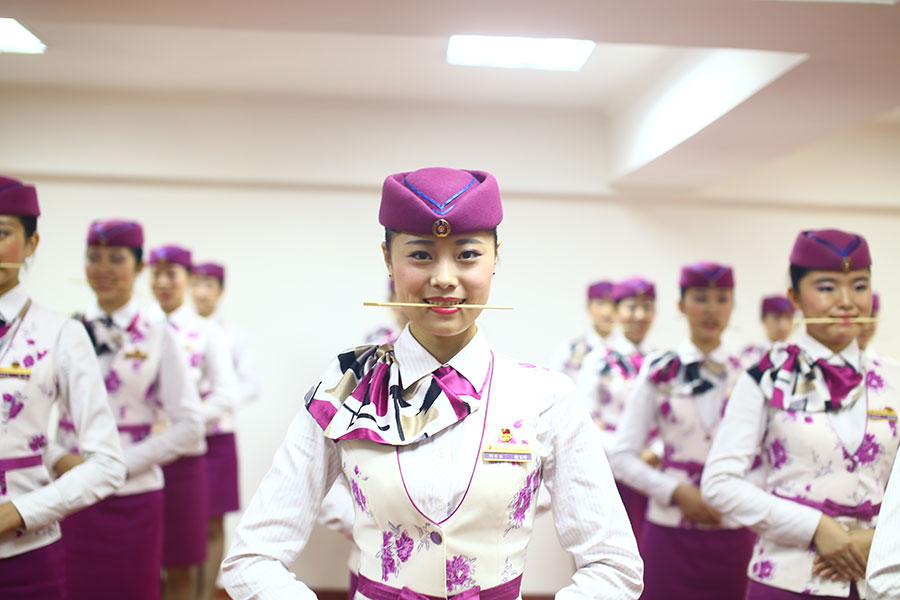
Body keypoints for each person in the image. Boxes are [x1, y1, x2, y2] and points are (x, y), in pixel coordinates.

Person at [221, 166, 643, 599]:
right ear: (388, 260)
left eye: (467, 255)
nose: (444, 278)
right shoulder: (344, 388)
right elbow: (251, 559)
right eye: (421, 255)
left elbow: (613, 564)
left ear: (496, 257)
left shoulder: (545, 398)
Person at [702, 229, 898, 599]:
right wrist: (817, 528)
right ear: (794, 297)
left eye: (858, 286)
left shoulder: (895, 378)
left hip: (882, 577)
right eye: (826, 288)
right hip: (787, 578)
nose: (846, 302)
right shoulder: (764, 376)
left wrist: (879, 537)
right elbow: (719, 483)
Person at [51, 219, 205, 600]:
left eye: (116, 259)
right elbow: (25, 419)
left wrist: (120, 462)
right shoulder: (60, 332)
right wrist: (57, 458)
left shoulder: (159, 338)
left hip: (135, 494)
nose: (103, 269)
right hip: (68, 491)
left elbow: (189, 426)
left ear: (139, 268)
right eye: (94, 258)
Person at [0, 176, 126, 599]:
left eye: (2, 233)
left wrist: (19, 511)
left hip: (24, 554)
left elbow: (108, 465)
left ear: (31, 244)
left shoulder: (61, 333)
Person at [609, 261, 754, 600]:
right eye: (701, 298)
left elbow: (765, 458)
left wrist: (736, 494)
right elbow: (622, 456)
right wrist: (676, 492)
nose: (712, 309)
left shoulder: (750, 375)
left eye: (722, 299)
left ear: (732, 305)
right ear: (681, 305)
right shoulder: (659, 371)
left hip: (732, 526)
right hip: (668, 527)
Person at [149, 245, 238, 600]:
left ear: (186, 279)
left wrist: (184, 423)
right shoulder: (141, 327)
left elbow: (226, 394)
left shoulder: (205, 331)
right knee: (146, 547)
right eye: (156, 273)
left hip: (187, 450)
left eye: (172, 274)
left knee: (185, 548)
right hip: (143, 454)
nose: (164, 282)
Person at [191, 260, 260, 600]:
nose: (201, 291)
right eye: (196, 283)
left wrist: (214, 401)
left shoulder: (232, 334)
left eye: (209, 285)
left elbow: (250, 385)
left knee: (212, 522)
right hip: (181, 438)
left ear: (220, 291)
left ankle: (205, 594)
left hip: (218, 437)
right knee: (181, 520)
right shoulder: (175, 331)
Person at [577, 276, 658, 539]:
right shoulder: (598, 360)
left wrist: (654, 451)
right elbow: (585, 418)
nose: (640, 315)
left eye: (647, 307)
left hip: (652, 472)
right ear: (617, 310)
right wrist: (626, 453)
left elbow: (673, 419)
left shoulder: (661, 363)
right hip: (608, 470)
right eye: (631, 307)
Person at [548, 280, 615, 381]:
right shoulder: (568, 349)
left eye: (613, 304)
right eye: (600, 304)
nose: (607, 312)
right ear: (588, 307)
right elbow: (553, 384)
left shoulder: (627, 352)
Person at [741, 296, 795, 368]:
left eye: (789, 318)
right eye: (776, 318)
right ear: (763, 319)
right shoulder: (752, 354)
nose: (783, 326)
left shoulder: (797, 355)